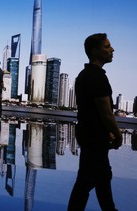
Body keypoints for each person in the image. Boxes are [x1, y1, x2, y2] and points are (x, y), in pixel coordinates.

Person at [68, 33, 122, 211]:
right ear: (94, 51)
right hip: (95, 138)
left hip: (87, 135)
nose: (112, 49)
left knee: (101, 179)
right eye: (107, 46)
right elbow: (106, 113)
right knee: (85, 183)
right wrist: (118, 134)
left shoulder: (83, 75)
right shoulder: (97, 77)